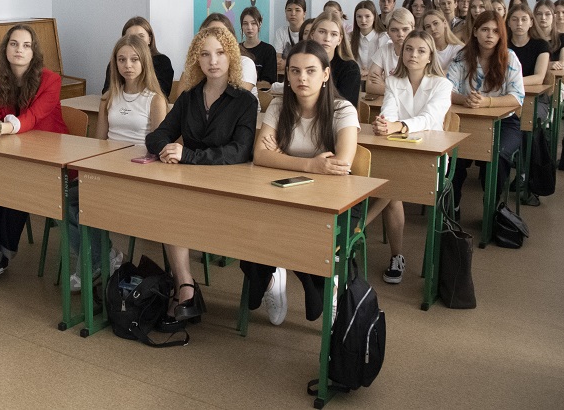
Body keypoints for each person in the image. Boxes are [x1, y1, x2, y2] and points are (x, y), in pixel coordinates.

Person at [145, 26, 258, 331]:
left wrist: (188, 155)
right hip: (189, 185)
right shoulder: (189, 98)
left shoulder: (245, 101)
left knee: (175, 206)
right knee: (170, 204)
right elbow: (157, 136)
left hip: (228, 189)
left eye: (220, 53)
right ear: (197, 59)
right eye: (205, 54)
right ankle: (185, 287)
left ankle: (186, 290)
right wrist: (167, 148)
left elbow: (239, 151)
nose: (213, 61)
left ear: (231, 56)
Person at [249, 41, 360, 325]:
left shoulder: (342, 110)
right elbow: (260, 156)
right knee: (248, 225)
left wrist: (281, 157)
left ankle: (322, 284)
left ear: (325, 74)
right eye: (295, 71)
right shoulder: (279, 106)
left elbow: (341, 165)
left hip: (332, 201)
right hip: (282, 194)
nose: (302, 78)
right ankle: (273, 278)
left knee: (302, 232)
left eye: (311, 71)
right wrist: (312, 165)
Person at [0, 24, 68, 284]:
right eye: (14, 44)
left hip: (50, 156)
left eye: (26, 45)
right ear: (5, 49)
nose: (19, 50)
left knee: (16, 183)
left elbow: (32, 117)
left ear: (34, 52)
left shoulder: (51, 80)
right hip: (17, 150)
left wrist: (0, 128)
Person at [69, 35, 167, 291]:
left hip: (137, 173)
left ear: (144, 62)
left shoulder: (155, 100)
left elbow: (157, 147)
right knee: (63, 198)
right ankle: (105, 256)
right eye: (122, 60)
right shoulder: (108, 97)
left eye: (134, 59)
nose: (128, 65)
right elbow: (100, 142)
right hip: (107, 170)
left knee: (88, 204)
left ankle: (89, 265)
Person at [370, 30, 451, 283]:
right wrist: (384, 123)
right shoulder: (394, 81)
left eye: (420, 51)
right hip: (398, 151)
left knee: (391, 186)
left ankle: (358, 229)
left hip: (430, 158)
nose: (413, 55)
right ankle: (397, 256)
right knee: (392, 192)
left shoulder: (442, 85)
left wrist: (398, 126)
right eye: (408, 49)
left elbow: (429, 119)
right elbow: (388, 113)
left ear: (430, 57)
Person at [447, 11, 524, 217]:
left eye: (495, 31)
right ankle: (453, 204)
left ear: (501, 35)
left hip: (504, 123)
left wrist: (486, 102)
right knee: (452, 155)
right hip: (467, 120)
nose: (490, 35)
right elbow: (447, 91)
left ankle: (492, 203)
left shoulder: (510, 57)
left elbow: (517, 97)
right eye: (484, 30)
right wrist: (466, 99)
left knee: (499, 156)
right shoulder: (462, 57)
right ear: (475, 32)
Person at [101, 16, 174, 97]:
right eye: (131, 37)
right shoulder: (116, 62)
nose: (135, 41)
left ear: (149, 39)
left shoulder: (162, 61)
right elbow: (107, 92)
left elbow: (162, 93)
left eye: (141, 36)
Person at [201, 13, 258, 98]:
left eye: (222, 34)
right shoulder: (198, 61)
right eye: (211, 33)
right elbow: (183, 98)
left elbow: (236, 101)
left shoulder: (245, 63)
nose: (217, 38)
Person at [310, 11, 361, 106]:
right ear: (312, 34)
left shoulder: (350, 68)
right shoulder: (300, 61)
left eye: (333, 34)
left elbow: (344, 106)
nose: (327, 39)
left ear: (339, 40)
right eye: (322, 32)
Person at [366, 8, 414, 95]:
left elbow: (415, 92)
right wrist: (401, 92)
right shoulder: (384, 50)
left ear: (413, 29)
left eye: (405, 29)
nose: (400, 34)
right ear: (387, 32)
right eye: (394, 30)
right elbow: (370, 86)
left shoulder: (420, 52)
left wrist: (385, 85)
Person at [507, 3, 550, 86]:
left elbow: (539, 78)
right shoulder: (502, 44)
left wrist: (511, 82)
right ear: (508, 23)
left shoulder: (541, 45)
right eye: (514, 19)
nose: (519, 23)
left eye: (524, 19)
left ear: (531, 23)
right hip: (505, 90)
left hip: (533, 91)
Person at [239, 6, 278, 84]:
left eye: (253, 23)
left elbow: (267, 82)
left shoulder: (268, 50)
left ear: (260, 24)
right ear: (242, 26)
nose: (249, 27)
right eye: (245, 24)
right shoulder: (236, 49)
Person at [350, 0, 386, 73]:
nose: (363, 20)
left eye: (367, 16)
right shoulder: (349, 37)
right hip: (356, 76)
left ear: (374, 17)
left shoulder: (383, 37)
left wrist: (369, 72)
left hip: (377, 76)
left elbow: (386, 64)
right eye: (359, 16)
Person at [534, 0, 564, 70]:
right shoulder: (530, 38)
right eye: (539, 14)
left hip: (555, 75)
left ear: (554, 16)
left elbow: (563, 63)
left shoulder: (562, 38)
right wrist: (548, 65)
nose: (543, 18)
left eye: (547, 14)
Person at [274, 0, 307, 64]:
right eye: (289, 10)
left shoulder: (308, 31)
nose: (293, 14)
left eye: (297, 10)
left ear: (304, 14)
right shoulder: (281, 32)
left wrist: (286, 63)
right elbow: (278, 58)